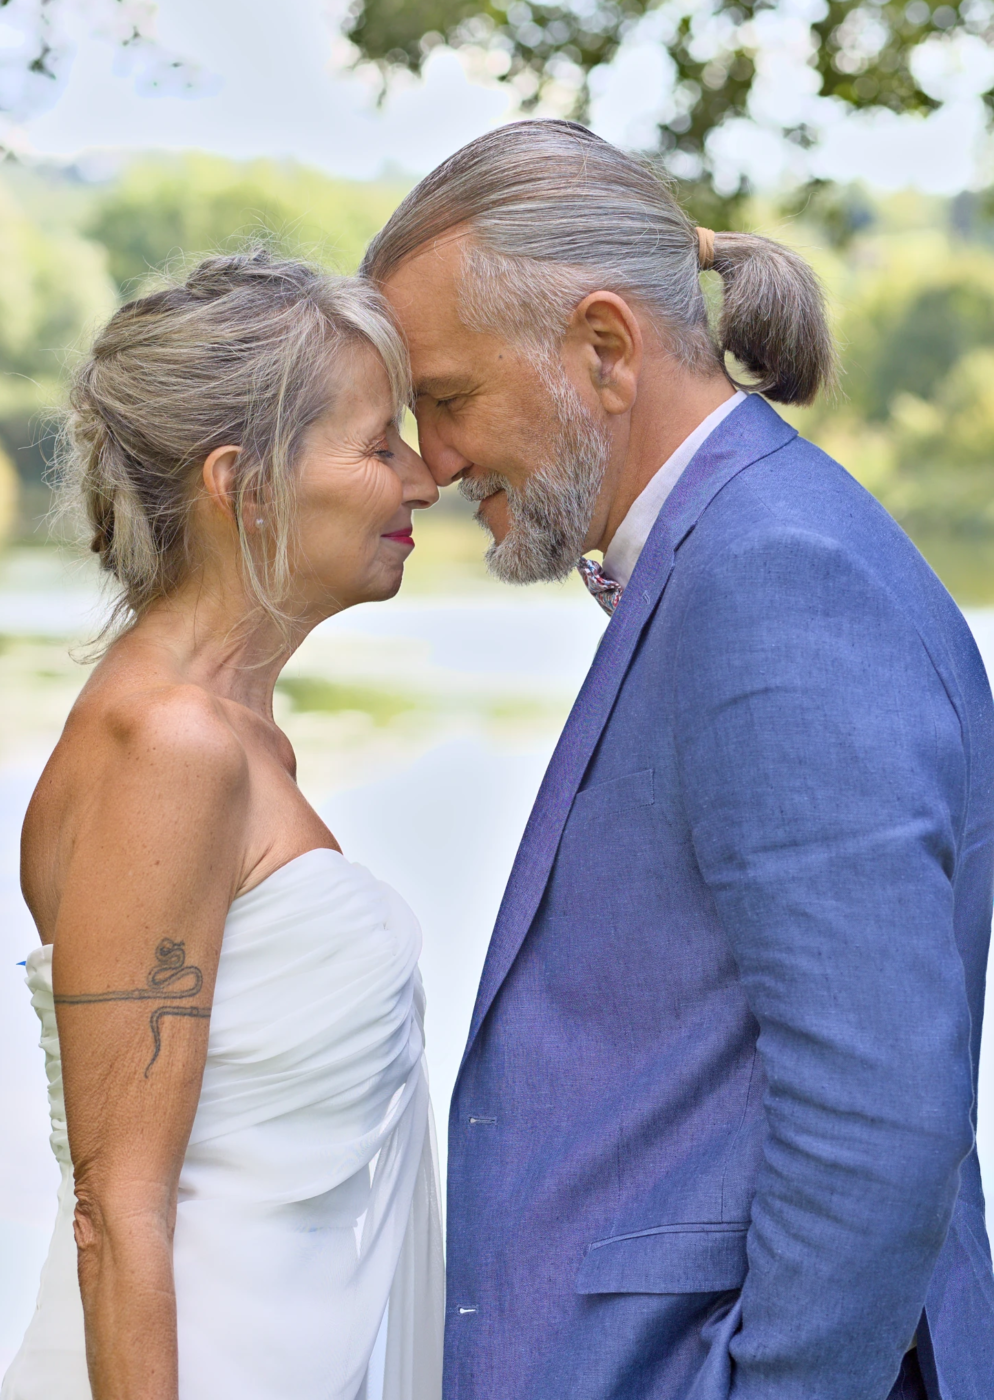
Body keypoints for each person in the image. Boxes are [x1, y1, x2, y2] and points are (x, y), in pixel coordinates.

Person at [364, 120, 994, 1400]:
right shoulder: (731, 548)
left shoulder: (776, 579)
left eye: (446, 397)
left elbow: (877, 1109)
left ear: (603, 349)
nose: (430, 462)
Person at [1, 252, 444, 1400]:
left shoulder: (242, 740)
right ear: (240, 481)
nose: (424, 479)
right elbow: (121, 1207)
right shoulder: (171, 748)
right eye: (378, 443)